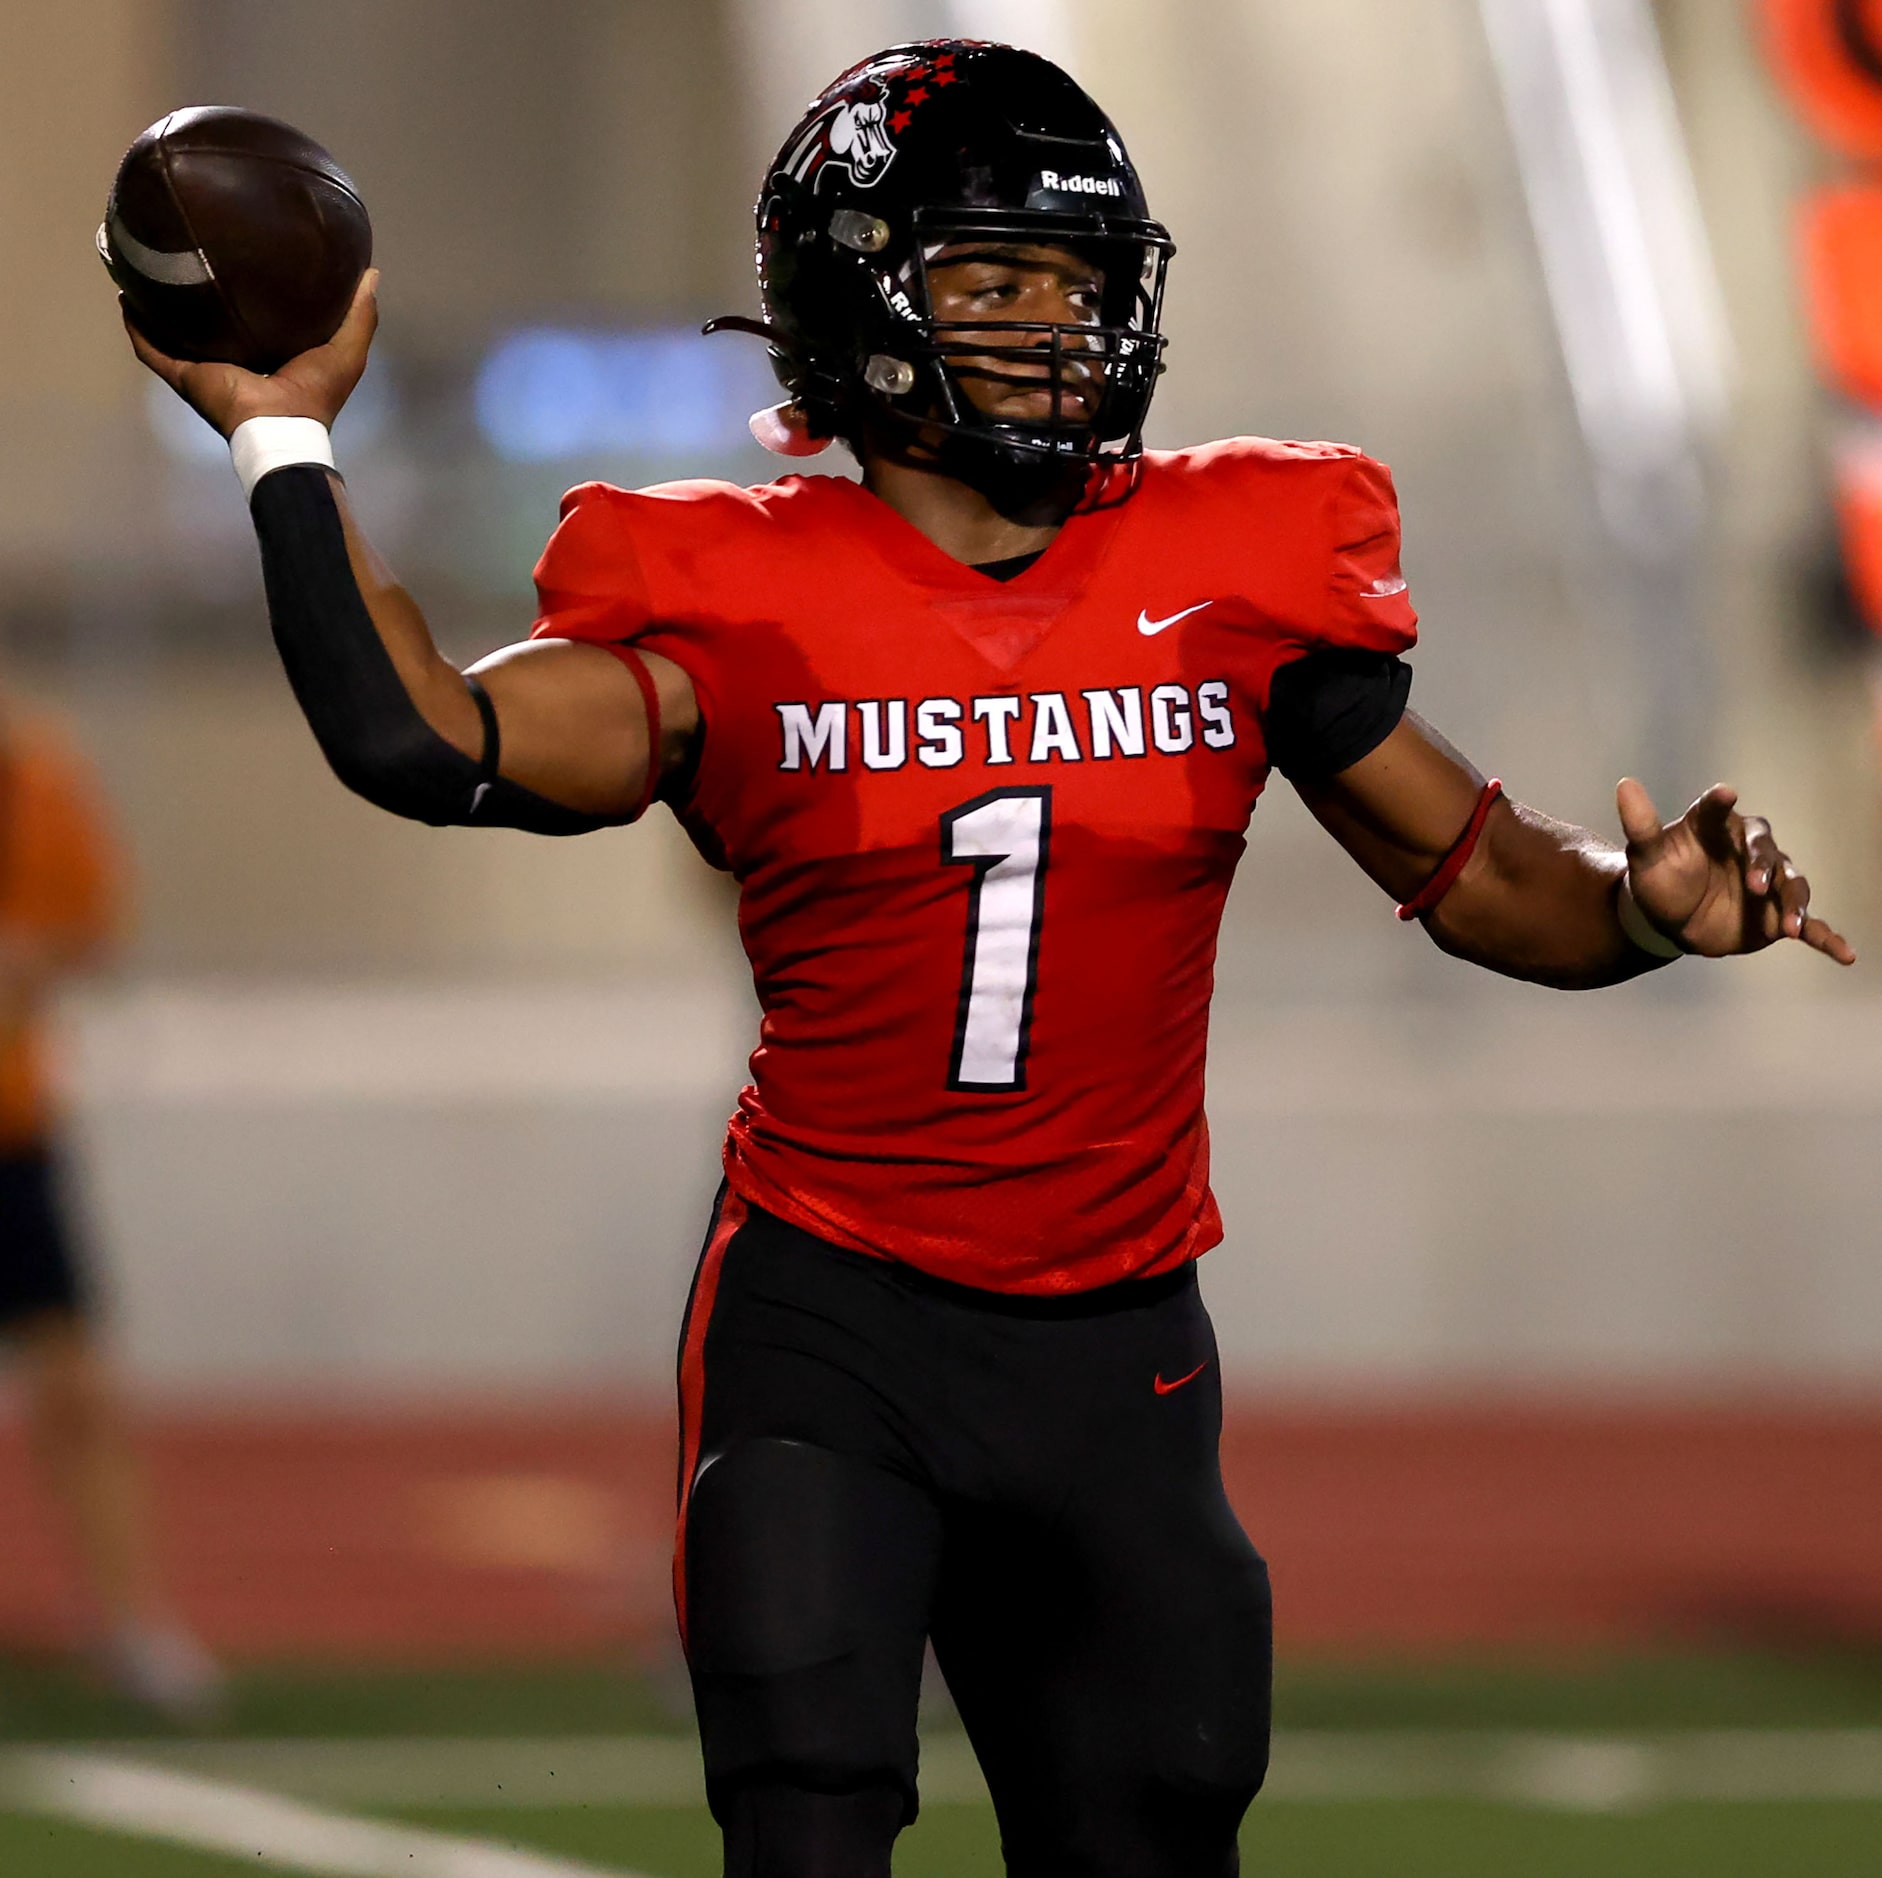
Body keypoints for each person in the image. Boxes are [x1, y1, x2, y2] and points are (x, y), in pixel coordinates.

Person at [128, 39, 1852, 1876]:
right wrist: (280, 433)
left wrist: (1641, 905)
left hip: (1118, 1357)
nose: (1052, 325)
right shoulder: (727, 591)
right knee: (802, 1830)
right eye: (991, 276)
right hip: (834, 1330)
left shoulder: (1236, 563)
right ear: (857, 292)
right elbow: (427, 743)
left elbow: (1485, 872)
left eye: (1080, 282)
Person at [0, 693, 221, 1723]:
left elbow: (81, 926)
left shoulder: (30, 769)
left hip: (11, 1132)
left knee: (76, 1387)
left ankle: (131, 1624)